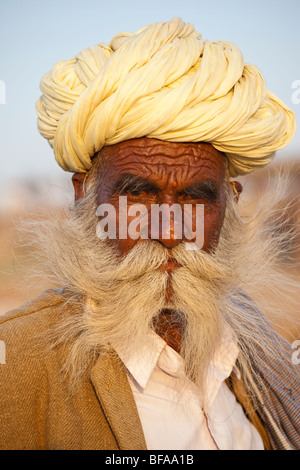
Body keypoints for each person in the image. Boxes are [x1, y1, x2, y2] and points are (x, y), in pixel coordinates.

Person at [0, 18, 299, 451]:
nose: (171, 229)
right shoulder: (15, 364)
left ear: (230, 202)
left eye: (197, 198)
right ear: (84, 197)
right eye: (138, 195)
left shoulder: (251, 335)